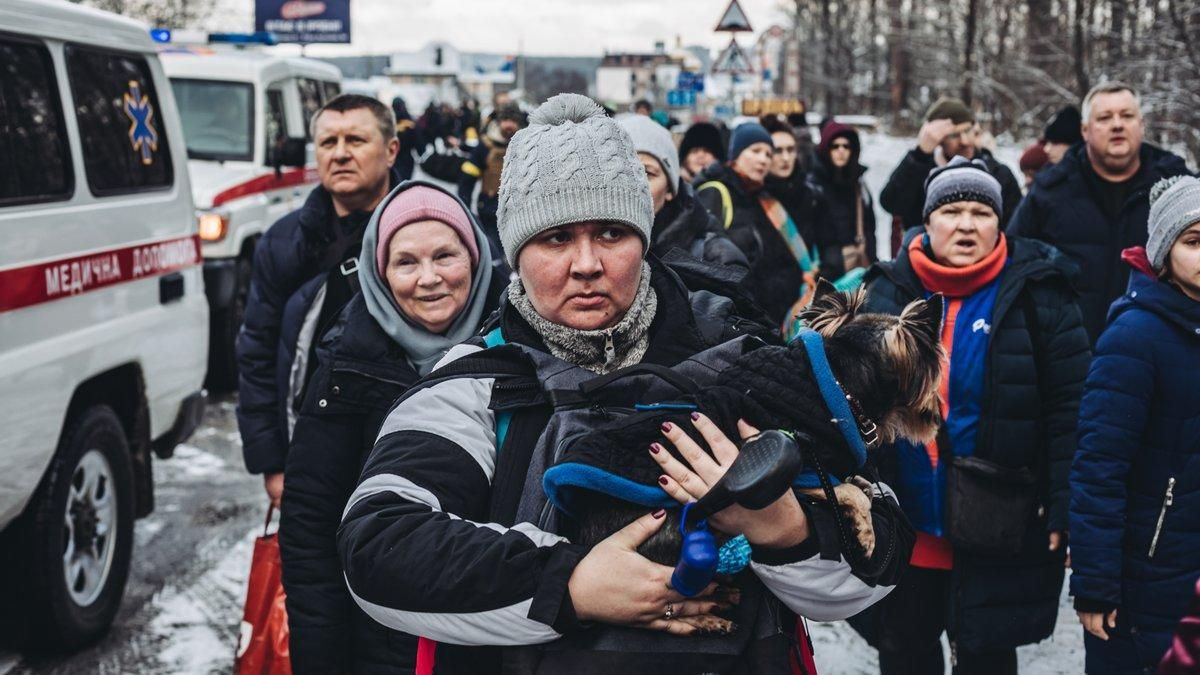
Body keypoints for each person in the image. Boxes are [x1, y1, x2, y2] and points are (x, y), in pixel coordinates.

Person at [338, 93, 908, 674]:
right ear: (515, 252)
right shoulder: (477, 386)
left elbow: (876, 564)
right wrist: (573, 584)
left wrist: (782, 528)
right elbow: (378, 545)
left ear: (645, 235)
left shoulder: (739, 357)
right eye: (555, 238)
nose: (586, 262)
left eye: (611, 232)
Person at [862, 157, 1091, 675]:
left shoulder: (1041, 295)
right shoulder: (885, 292)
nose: (966, 224)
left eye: (981, 211)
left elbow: (1070, 412)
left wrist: (1065, 506)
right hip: (905, 526)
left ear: (1000, 221)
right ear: (928, 220)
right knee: (904, 653)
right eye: (952, 209)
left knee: (987, 657)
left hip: (998, 526)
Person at [280, 182, 506, 674]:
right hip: (383, 649)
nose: (429, 279)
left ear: (477, 257)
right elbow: (310, 532)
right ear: (379, 273)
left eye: (446, 255)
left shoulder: (520, 349)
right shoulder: (345, 366)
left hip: (503, 639)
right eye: (406, 262)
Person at [236, 94, 401, 507]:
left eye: (356, 140)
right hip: (311, 451)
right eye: (328, 143)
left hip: (399, 449)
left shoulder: (428, 234)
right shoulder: (282, 241)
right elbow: (256, 353)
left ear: (391, 150)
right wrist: (272, 463)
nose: (341, 154)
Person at [1069, 175, 1200, 675]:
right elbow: (1099, 468)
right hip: (1146, 576)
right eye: (1193, 242)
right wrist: (1096, 583)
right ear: (1165, 252)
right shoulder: (1135, 335)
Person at [1007, 82, 1191, 345]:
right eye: (1104, 118)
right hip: (1068, 353)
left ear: (1141, 125)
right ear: (1085, 130)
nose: (1117, 125)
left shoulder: (1179, 186)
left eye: (1126, 116)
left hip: (1159, 349)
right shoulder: (1050, 191)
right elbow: (1013, 261)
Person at [695, 122, 821, 332]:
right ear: (735, 154)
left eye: (767, 154)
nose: (763, 159)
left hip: (768, 320)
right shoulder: (715, 192)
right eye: (755, 151)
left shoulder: (761, 199)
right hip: (735, 322)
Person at [617, 113, 748, 269]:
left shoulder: (714, 256)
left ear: (670, 189)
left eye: (647, 173)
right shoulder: (585, 250)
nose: (632, 184)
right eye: (619, 172)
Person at [880, 97, 1023, 236]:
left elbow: (1015, 229)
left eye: (967, 130)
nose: (965, 141)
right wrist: (920, 155)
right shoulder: (922, 171)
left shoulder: (998, 173)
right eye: (954, 135)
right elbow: (891, 203)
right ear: (939, 139)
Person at [809, 120, 878, 280]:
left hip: (858, 266)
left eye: (846, 146)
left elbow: (869, 227)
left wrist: (872, 259)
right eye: (835, 146)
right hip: (824, 272)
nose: (841, 151)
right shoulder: (813, 185)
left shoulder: (858, 184)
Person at [459, 102, 526, 260]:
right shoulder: (485, 146)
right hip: (490, 209)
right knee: (494, 255)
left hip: (519, 210)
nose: (509, 125)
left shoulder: (526, 146)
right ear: (499, 122)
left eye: (513, 121)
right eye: (505, 120)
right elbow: (466, 181)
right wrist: (465, 209)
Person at [759, 114, 830, 260]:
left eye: (791, 150)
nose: (786, 158)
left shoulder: (812, 196)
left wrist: (823, 274)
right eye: (777, 151)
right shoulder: (750, 198)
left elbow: (830, 246)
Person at [391, 96, 423, 181]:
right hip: (407, 160)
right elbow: (418, 142)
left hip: (392, 159)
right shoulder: (410, 124)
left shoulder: (389, 123)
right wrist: (421, 152)